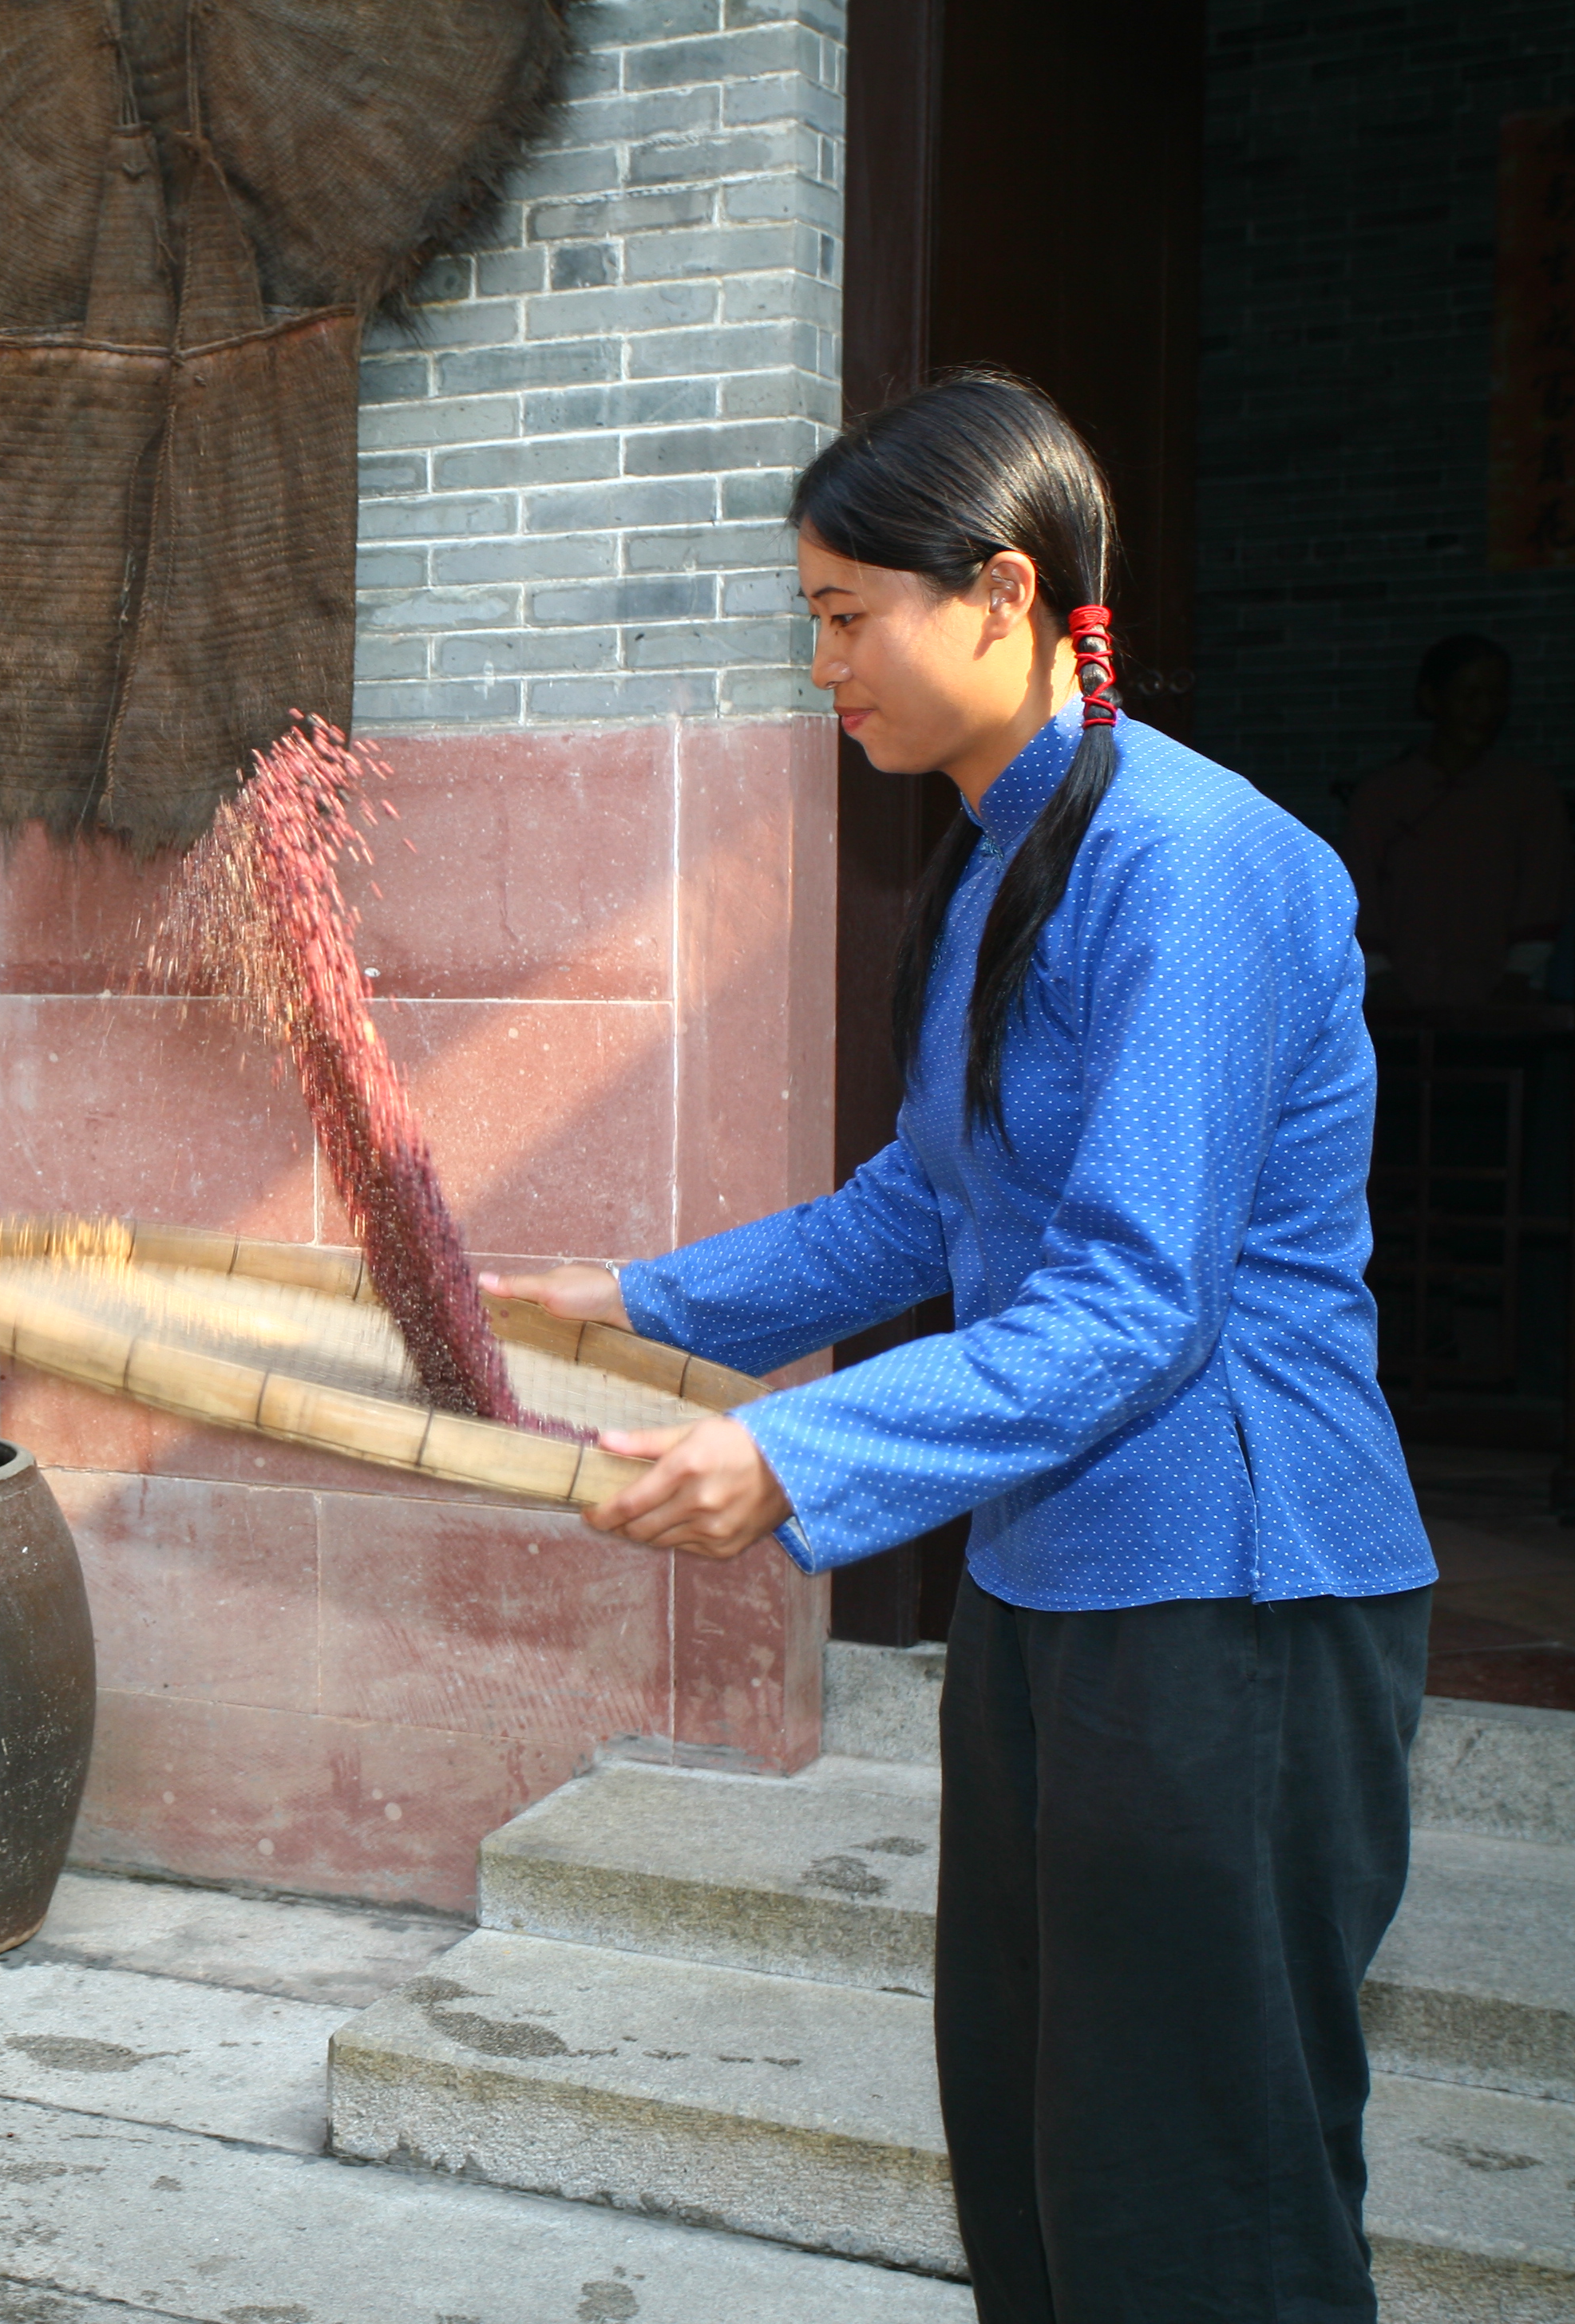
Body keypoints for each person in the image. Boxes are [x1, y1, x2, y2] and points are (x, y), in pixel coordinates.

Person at [486, 373, 1436, 2323]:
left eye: (847, 614)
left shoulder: (1194, 861)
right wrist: (643, 1306)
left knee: (1200, 2178)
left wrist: (797, 1459)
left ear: (1001, 595)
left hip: (1233, 1591)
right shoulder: (1007, 847)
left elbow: (1136, 1299)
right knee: (1040, 2137)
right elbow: (926, 1206)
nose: (821, 661)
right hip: (1059, 1573)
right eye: (811, 619)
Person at [1338, 634, 1560, 1007]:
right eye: (1470, 696)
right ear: (1431, 699)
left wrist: (1519, 977)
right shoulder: (1382, 796)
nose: (1484, 711)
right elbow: (1358, 893)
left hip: (1505, 1005)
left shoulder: (1529, 793)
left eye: (1496, 696)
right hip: (1396, 1005)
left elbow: (1545, 892)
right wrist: (1382, 978)